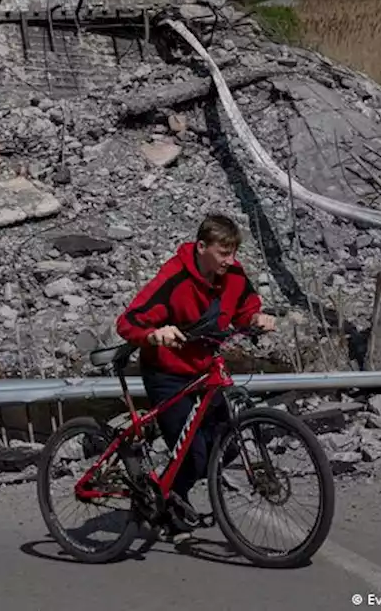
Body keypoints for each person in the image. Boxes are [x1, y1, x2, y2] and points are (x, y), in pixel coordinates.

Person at [115, 213, 276, 541]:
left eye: (233, 252)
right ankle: (171, 513)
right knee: (193, 453)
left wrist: (257, 317)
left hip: (204, 369)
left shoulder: (232, 275)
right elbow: (128, 321)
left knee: (227, 443)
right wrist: (155, 333)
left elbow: (245, 305)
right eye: (223, 253)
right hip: (167, 373)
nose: (230, 261)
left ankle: (168, 493)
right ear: (201, 246)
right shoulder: (174, 278)